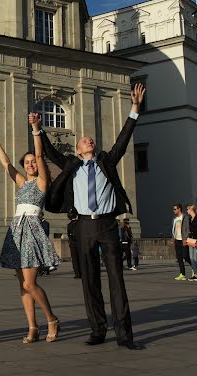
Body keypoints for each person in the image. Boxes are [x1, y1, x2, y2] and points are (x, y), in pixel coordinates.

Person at [37, 83, 146, 351]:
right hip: (83, 225)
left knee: (116, 280)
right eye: (85, 140)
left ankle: (124, 335)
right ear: (77, 149)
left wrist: (134, 109)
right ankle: (97, 329)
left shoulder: (106, 161)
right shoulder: (72, 165)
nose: (90, 141)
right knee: (89, 280)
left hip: (108, 223)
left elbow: (123, 138)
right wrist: (38, 129)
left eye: (92, 140)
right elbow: (49, 153)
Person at [0, 121, 60, 344]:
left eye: (33, 161)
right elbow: (7, 164)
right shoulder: (22, 183)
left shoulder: (42, 182)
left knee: (30, 284)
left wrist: (35, 130)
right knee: (21, 285)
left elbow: (41, 156)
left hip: (32, 230)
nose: (31, 164)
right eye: (28, 162)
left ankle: (51, 318)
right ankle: (32, 327)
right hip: (17, 230)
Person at [172, 203, 191, 281]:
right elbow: (174, 229)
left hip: (183, 240)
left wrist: (185, 239)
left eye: (175, 209)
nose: (174, 211)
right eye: (173, 209)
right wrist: (173, 238)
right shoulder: (175, 219)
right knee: (179, 258)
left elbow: (187, 229)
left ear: (179, 209)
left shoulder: (184, 217)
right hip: (177, 240)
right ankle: (182, 274)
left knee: (186, 256)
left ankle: (195, 270)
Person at [67, 211, 81, 278]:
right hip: (80, 243)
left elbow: (69, 235)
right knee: (81, 259)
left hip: (73, 244)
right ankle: (82, 273)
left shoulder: (69, 225)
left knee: (75, 259)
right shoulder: (80, 223)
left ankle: (77, 274)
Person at [186, 204, 197, 281]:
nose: (187, 211)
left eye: (187, 209)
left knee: (195, 258)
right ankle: (195, 274)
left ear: (191, 209)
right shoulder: (190, 219)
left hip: (196, 240)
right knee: (191, 258)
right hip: (190, 240)